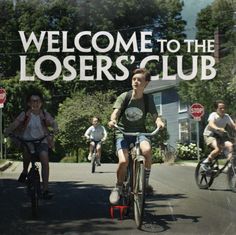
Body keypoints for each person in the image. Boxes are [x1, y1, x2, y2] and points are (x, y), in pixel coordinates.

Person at [108, 68, 165, 205]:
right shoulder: (125, 96)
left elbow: (155, 117)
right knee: (123, 161)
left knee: (146, 151)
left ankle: (145, 183)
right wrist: (113, 120)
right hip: (122, 132)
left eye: (139, 80)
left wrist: (159, 122)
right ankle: (118, 186)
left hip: (140, 133)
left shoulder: (148, 99)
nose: (136, 81)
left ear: (146, 83)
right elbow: (115, 113)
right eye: (134, 79)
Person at [5, 91, 59, 199]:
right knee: (26, 153)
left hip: (41, 140)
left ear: (41, 103)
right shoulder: (25, 114)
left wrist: (55, 128)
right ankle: (25, 171)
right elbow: (15, 123)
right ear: (29, 103)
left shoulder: (44, 114)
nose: (35, 103)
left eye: (38, 101)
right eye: (33, 101)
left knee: (44, 159)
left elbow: (53, 122)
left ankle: (45, 189)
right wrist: (7, 131)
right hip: (27, 141)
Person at [202, 100, 236, 171]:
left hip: (219, 136)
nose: (223, 109)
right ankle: (205, 162)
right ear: (216, 109)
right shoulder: (213, 115)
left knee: (230, 145)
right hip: (209, 135)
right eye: (220, 108)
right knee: (218, 149)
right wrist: (218, 128)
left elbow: (233, 126)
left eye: (224, 108)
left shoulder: (226, 116)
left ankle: (230, 165)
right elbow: (211, 124)